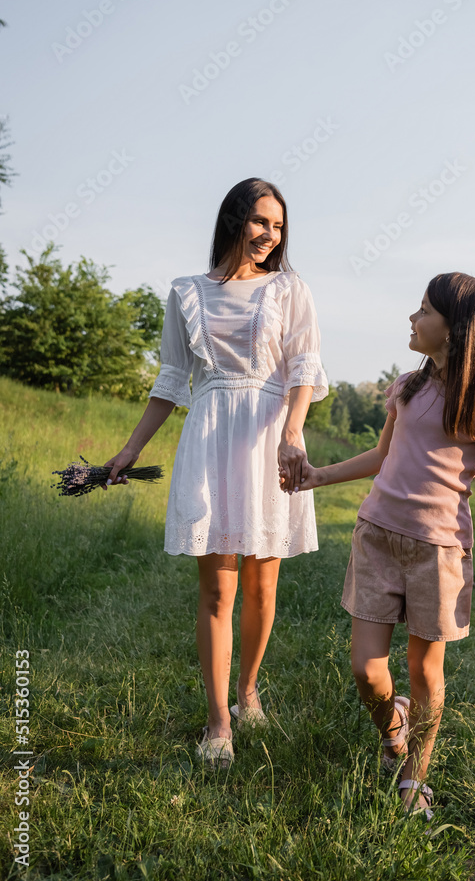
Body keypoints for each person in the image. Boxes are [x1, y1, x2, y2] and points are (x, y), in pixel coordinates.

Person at [104, 178, 328, 768]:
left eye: (278, 226)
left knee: (262, 584)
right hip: (209, 439)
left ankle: (249, 688)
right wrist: (128, 450)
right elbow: (170, 383)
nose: (269, 235)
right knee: (217, 589)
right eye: (260, 222)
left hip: (270, 439)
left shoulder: (289, 288)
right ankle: (218, 720)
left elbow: (304, 367)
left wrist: (290, 432)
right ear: (233, 220)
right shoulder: (185, 293)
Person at [281, 271, 475, 821]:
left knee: (425, 673)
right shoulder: (407, 384)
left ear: (457, 329)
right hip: (377, 537)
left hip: (440, 553)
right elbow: (382, 456)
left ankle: (415, 781)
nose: (413, 318)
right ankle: (393, 730)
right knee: (367, 670)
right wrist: (316, 476)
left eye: (425, 311)